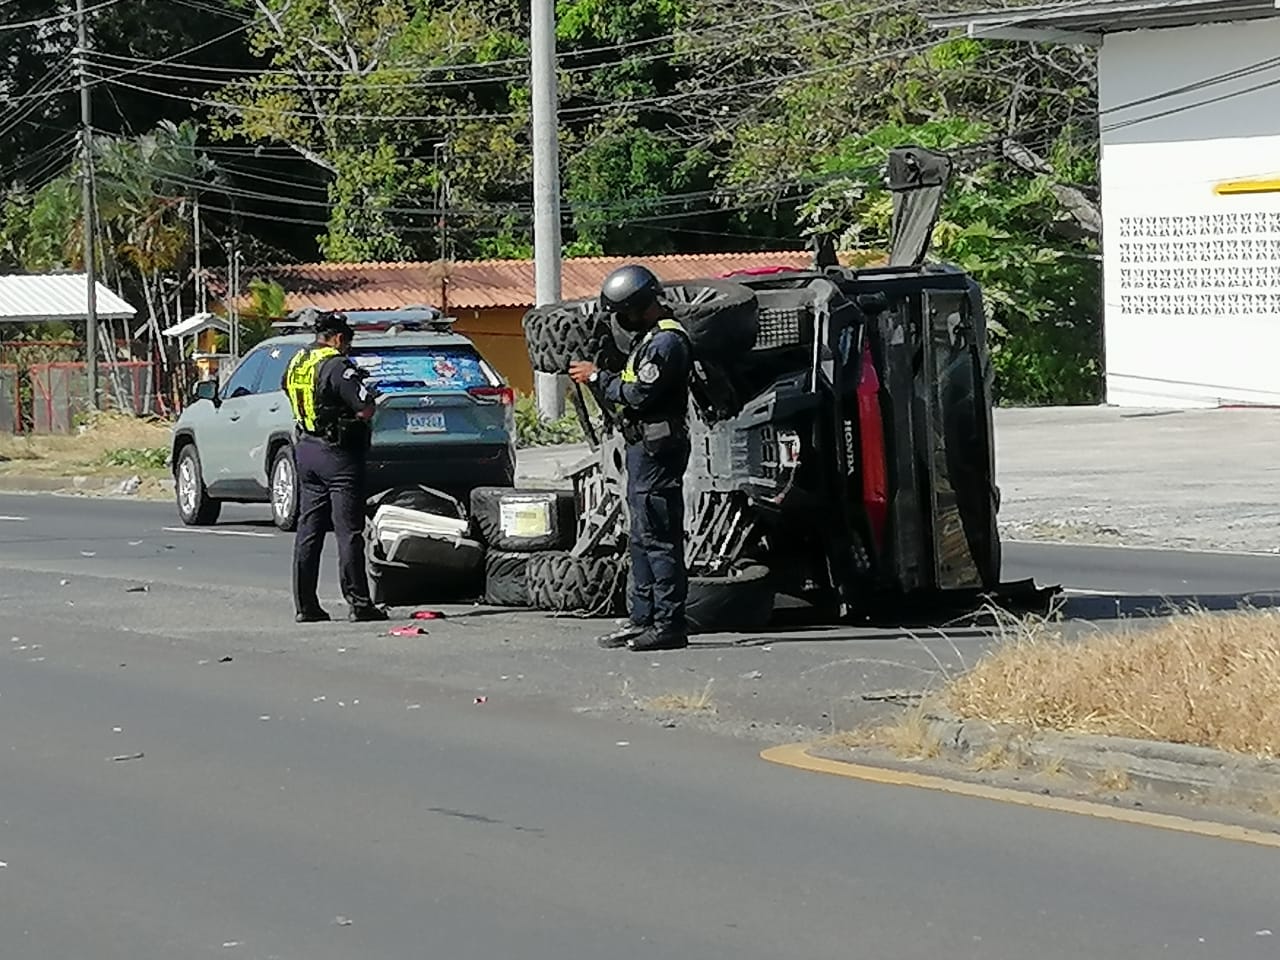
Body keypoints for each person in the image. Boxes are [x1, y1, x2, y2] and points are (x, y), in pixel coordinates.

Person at [569, 264, 692, 652]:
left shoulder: (667, 343)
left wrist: (595, 378)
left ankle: (668, 623)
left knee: (658, 537)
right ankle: (642, 618)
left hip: (659, 450)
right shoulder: (648, 339)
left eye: (624, 312)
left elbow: (639, 392)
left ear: (641, 306)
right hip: (642, 449)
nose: (622, 320)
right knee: (640, 537)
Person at [282, 309, 389, 624]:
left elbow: (289, 390)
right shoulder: (337, 365)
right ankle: (359, 603)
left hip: (306, 449)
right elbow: (365, 407)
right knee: (349, 531)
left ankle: (305, 605)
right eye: (348, 343)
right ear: (339, 338)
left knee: (309, 529)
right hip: (338, 455)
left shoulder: (299, 361)